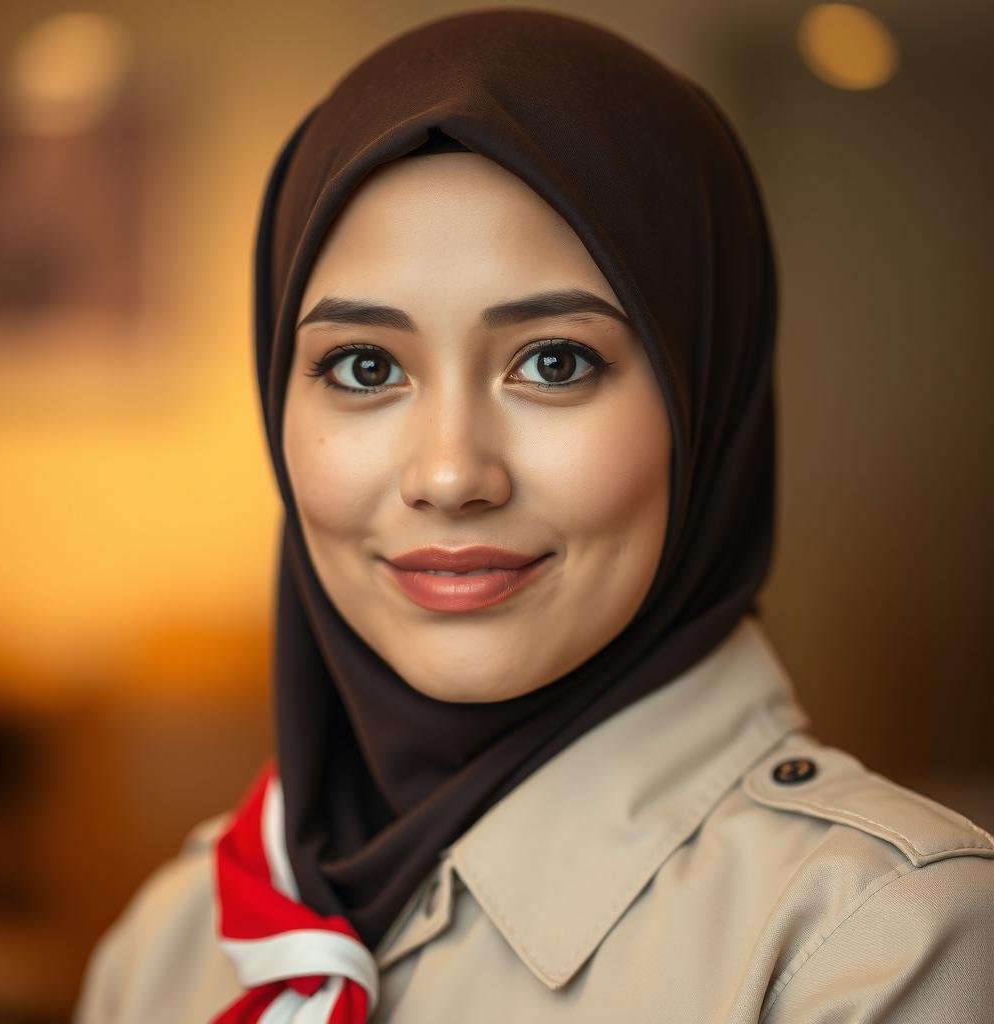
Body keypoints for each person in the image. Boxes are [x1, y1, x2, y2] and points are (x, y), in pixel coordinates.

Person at [74, 9, 994, 1023]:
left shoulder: (880, 944)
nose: (450, 473)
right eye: (364, 366)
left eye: (555, 361)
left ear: (706, 402)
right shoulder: (171, 943)